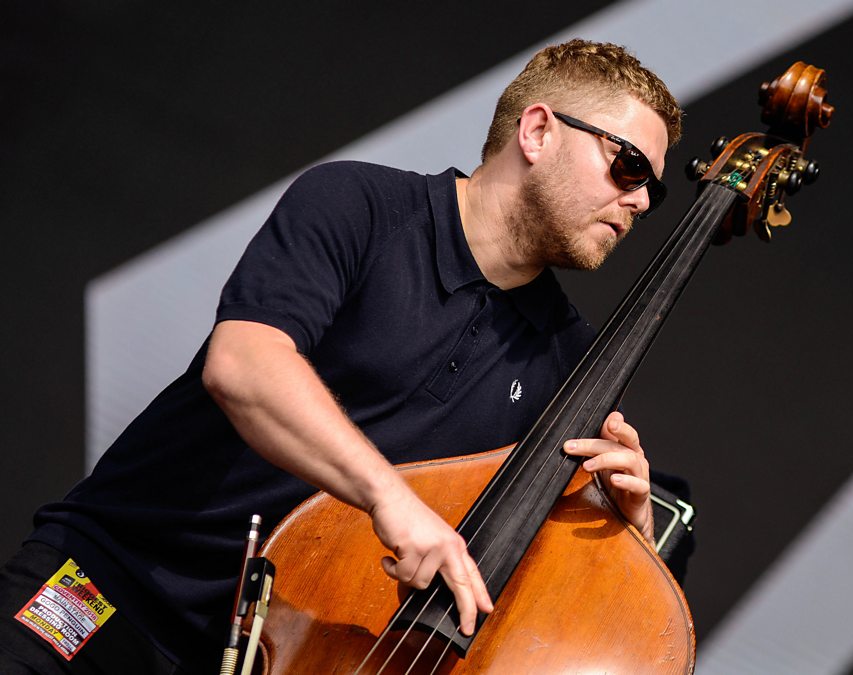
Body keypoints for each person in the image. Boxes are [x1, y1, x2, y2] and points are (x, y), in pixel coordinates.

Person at [0, 39, 683, 673]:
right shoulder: (359, 206)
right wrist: (389, 498)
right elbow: (242, 364)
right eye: (627, 164)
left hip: (281, 657)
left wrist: (628, 534)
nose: (640, 199)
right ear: (537, 132)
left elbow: (527, 598)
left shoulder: (570, 361)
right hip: (110, 586)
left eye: (653, 188)